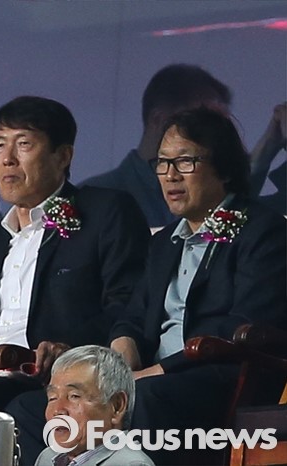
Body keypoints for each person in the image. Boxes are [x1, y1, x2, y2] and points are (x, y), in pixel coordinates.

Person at [0, 96, 148, 443]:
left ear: (63, 156)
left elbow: (126, 303)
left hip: (47, 378)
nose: (7, 159)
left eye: (23, 144)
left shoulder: (104, 212)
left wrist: (69, 349)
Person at [109, 107, 287, 465]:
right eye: (162, 163)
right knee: (34, 406)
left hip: (224, 377)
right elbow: (134, 315)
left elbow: (244, 324)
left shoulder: (263, 232)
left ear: (224, 167)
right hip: (153, 379)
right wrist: (121, 348)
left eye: (185, 161)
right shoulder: (163, 243)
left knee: (146, 397)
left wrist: (158, 371)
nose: (170, 175)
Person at [81, 64, 232, 228]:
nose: (217, 136)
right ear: (157, 119)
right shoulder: (93, 199)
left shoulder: (228, 197)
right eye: (202, 123)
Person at [35, 345, 153, 466]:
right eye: (52, 398)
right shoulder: (47, 457)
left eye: (74, 396)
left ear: (117, 406)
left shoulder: (130, 464)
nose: (57, 410)